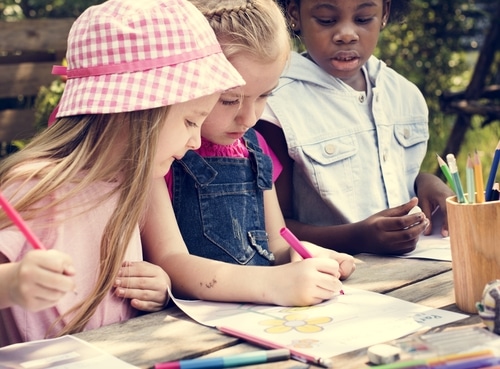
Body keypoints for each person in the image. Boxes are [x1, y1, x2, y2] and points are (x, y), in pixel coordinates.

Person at [0, 0, 244, 346]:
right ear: (133, 111)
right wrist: (12, 283)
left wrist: (157, 289)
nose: (195, 139)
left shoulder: (129, 183)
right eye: (190, 120)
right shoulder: (36, 185)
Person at [142, 0, 356, 308]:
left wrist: (301, 255)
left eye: (264, 96)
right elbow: (171, 261)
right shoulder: (163, 151)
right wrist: (275, 284)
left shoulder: (254, 146)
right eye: (229, 100)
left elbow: (277, 241)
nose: (249, 117)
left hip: (258, 317)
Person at [255, 0, 454, 255]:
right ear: (294, 14)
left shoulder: (404, 94)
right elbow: (273, 227)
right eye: (327, 19)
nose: (346, 35)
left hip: (421, 268)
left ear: (384, 14)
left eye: (363, 18)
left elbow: (391, 177)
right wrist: (357, 237)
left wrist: (425, 181)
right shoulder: (275, 104)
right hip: (337, 282)